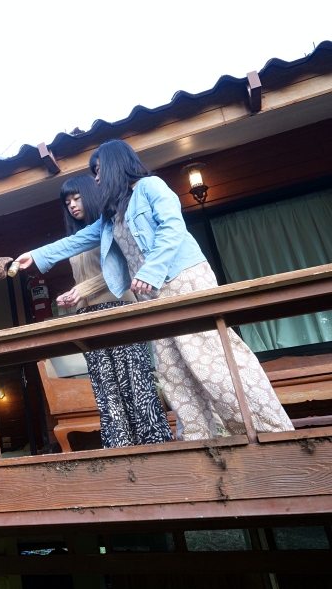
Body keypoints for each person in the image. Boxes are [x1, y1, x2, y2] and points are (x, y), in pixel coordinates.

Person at [15, 140, 293, 440]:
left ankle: (269, 431)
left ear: (115, 166)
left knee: (209, 361)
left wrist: (149, 270)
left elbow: (173, 228)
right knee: (172, 371)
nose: (96, 179)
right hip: (154, 297)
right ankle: (199, 439)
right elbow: (76, 241)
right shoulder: (111, 214)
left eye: (98, 171)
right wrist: (37, 255)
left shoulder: (151, 187)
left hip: (183, 281)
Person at [55, 174, 173, 448]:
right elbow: (81, 282)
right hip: (87, 317)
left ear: (90, 194)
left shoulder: (111, 226)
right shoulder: (76, 238)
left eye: (76, 197)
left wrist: (81, 290)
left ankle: (156, 446)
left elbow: (121, 270)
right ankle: (120, 448)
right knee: (105, 387)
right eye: (67, 201)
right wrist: (74, 299)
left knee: (135, 380)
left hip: (119, 309)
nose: (72, 205)